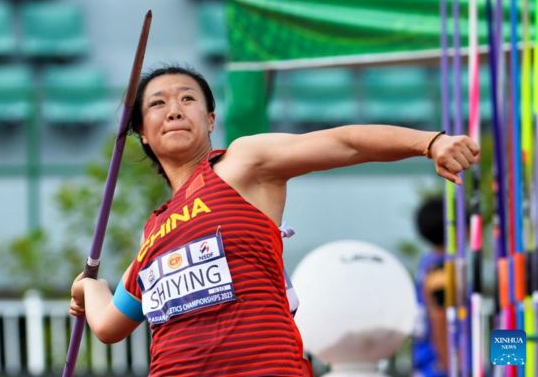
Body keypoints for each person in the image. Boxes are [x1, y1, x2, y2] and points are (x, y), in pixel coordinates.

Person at [70, 64, 479, 377]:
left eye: (188, 99)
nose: (174, 110)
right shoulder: (153, 232)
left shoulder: (240, 165)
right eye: (157, 103)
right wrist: (90, 287)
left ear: (211, 120)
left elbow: (344, 143)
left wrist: (430, 142)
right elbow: (109, 325)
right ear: (142, 132)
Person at [412, 198, 448, 377]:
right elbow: (439, 317)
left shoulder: (427, 263)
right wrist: (447, 364)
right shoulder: (440, 270)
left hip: (428, 365)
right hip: (436, 367)